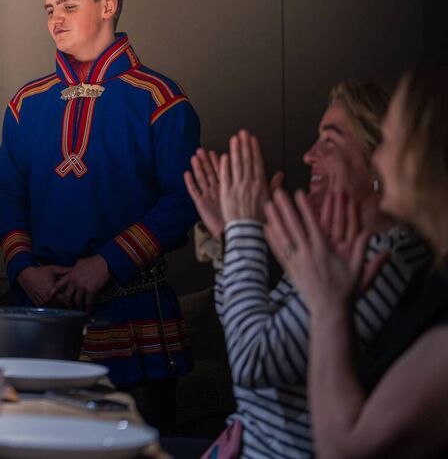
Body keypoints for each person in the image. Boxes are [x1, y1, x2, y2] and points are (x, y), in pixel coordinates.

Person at [0, 0, 200, 428]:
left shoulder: (160, 99)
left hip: (132, 306)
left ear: (107, 6)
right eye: (48, 10)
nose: (55, 20)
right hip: (39, 304)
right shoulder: (27, 102)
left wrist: (107, 263)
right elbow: (7, 194)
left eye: (67, 6)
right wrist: (23, 269)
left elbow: (185, 198)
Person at [184, 82, 430, 459]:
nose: (309, 155)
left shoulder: (390, 260)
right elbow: (244, 327)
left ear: (379, 157)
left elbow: (252, 361)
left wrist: (245, 230)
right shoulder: (341, 248)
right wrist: (228, 240)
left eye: (329, 142)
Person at [266, 66, 448, 458]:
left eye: (392, 140)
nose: (380, 157)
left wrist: (330, 306)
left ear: (428, 155)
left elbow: (342, 449)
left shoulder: (400, 265)